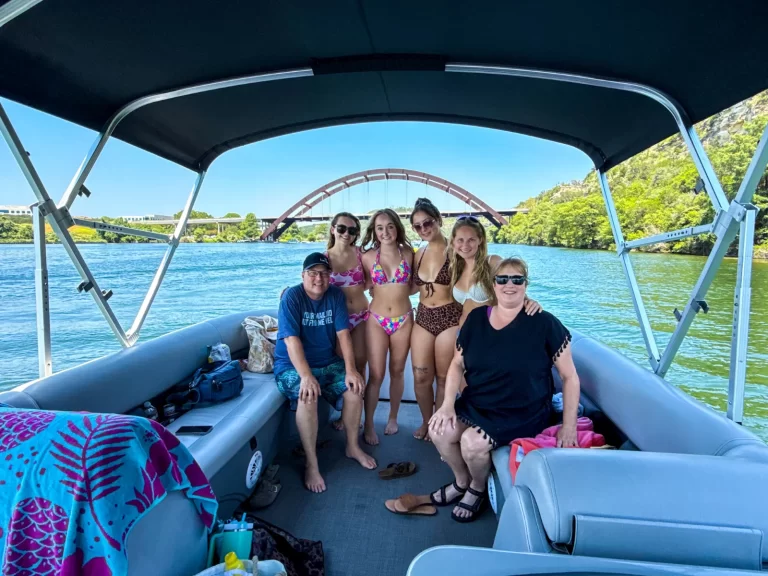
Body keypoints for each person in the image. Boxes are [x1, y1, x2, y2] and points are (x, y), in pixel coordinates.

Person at [428, 257, 580, 523]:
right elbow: (456, 365)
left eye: (517, 279)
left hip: (523, 410)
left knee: (472, 443)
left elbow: (569, 377)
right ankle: (462, 481)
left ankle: (477, 488)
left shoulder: (544, 323)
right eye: (502, 279)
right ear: (493, 285)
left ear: (525, 284)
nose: (510, 284)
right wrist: (447, 404)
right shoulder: (476, 319)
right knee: (438, 430)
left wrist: (569, 426)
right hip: (479, 402)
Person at [274, 253, 376, 493]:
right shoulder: (292, 297)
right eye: (313, 273)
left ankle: (352, 446)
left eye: (323, 273)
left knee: (354, 388)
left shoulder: (335, 296)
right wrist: (306, 376)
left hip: (328, 362)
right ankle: (312, 463)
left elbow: (343, 334)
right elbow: (291, 340)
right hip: (292, 366)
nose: (318, 278)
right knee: (306, 394)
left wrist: (352, 371)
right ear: (303, 275)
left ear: (330, 276)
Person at [409, 198, 463, 441]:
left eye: (427, 223)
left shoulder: (457, 250)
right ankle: (425, 420)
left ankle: (437, 424)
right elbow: (409, 287)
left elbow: (480, 277)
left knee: (443, 377)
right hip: (423, 317)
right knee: (421, 376)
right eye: (417, 226)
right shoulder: (417, 254)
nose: (423, 229)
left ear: (439, 220)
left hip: (450, 316)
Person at [360, 209, 414, 445]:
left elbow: (416, 285)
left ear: (397, 228)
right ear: (374, 231)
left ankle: (393, 417)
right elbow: (354, 282)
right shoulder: (367, 256)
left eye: (390, 226)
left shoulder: (410, 254)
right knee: (377, 374)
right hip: (376, 320)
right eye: (380, 227)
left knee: (397, 371)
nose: (385, 232)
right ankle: (369, 424)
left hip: (403, 319)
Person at [325, 212, 368, 431]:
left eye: (352, 230)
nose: (346, 234)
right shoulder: (324, 257)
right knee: (344, 369)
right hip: (338, 322)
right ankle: (345, 415)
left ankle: (358, 417)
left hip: (361, 316)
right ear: (333, 229)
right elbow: (313, 285)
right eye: (342, 228)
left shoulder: (361, 254)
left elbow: (373, 280)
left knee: (360, 365)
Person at [449, 215, 499, 326]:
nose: (465, 245)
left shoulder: (492, 262)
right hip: (463, 334)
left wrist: (527, 301)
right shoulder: (456, 268)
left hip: (487, 333)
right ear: (453, 242)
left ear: (480, 240)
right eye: (460, 240)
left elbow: (514, 284)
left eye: (471, 240)